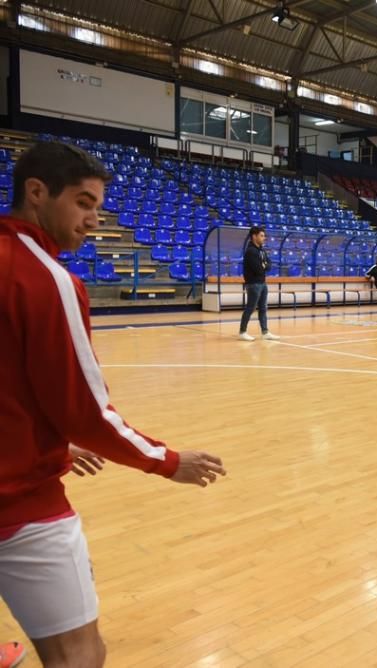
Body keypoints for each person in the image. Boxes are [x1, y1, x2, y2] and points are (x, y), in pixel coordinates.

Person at [0, 141, 226, 667]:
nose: (94, 220)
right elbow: (87, 413)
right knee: (80, 654)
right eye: (82, 202)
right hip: (19, 503)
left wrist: (39, 434)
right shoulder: (46, 279)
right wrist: (167, 461)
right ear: (37, 193)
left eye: (98, 207)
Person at [238, 226, 279, 341]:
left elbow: (269, 264)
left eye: (264, 235)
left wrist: (265, 265)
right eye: (261, 236)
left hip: (262, 283)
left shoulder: (261, 250)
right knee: (250, 308)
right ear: (254, 236)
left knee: (263, 308)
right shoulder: (250, 251)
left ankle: (265, 332)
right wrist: (264, 265)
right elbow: (258, 269)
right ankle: (242, 332)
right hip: (253, 284)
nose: (264, 238)